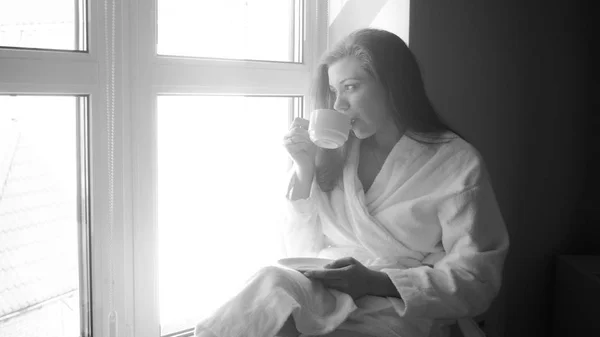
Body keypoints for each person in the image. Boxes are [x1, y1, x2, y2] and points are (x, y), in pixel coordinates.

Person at [195, 28, 509, 337]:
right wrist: (304, 169)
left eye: (350, 87)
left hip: (396, 307)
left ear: (393, 86)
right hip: (320, 291)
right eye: (333, 92)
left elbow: (475, 279)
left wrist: (376, 281)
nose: (338, 106)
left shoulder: (454, 162)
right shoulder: (334, 153)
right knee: (268, 285)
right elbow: (297, 251)